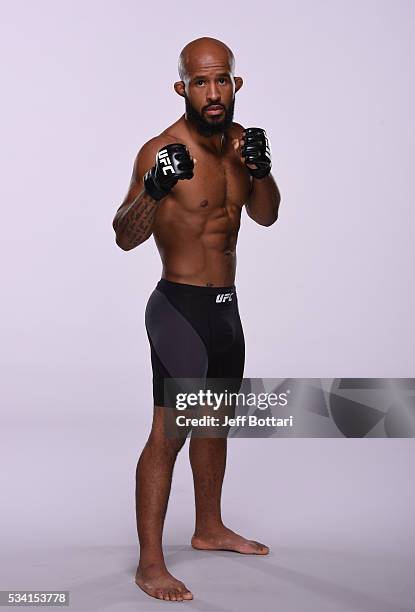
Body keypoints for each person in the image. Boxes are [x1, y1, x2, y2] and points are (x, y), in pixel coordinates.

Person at [112, 36, 281, 602]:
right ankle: (150, 563)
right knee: (170, 430)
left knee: (215, 422)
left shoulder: (241, 144)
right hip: (179, 309)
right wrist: (155, 189)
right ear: (182, 87)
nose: (213, 92)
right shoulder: (159, 150)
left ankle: (208, 528)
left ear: (237, 83)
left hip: (226, 309)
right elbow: (124, 236)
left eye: (222, 80)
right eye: (200, 81)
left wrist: (262, 170)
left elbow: (265, 216)